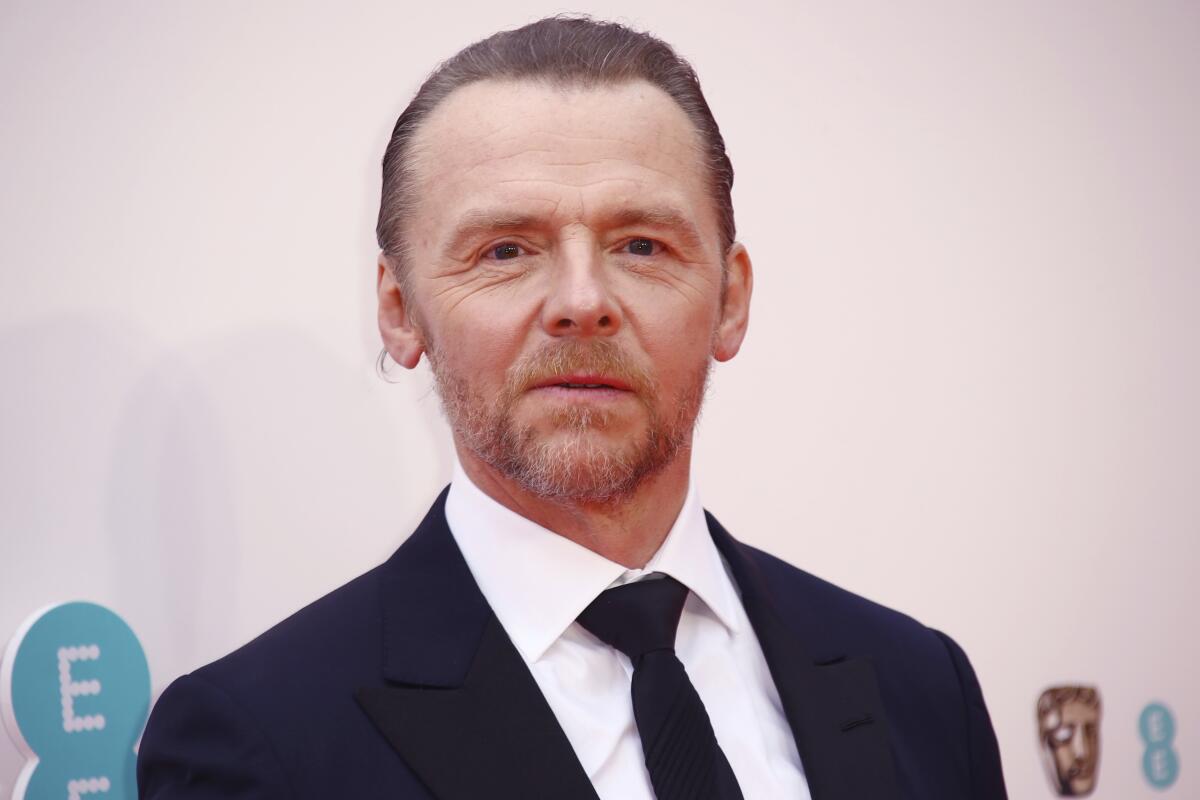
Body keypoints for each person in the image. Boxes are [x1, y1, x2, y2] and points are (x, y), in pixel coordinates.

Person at [138, 15, 1008, 800]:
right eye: (506, 249)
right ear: (401, 312)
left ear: (730, 300)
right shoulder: (258, 743)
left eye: (641, 244)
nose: (582, 300)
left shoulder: (921, 687)